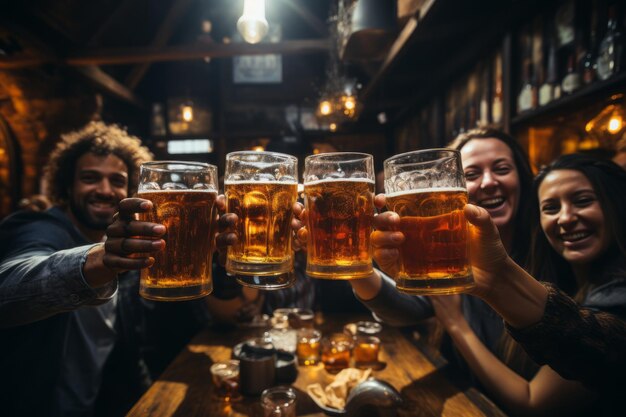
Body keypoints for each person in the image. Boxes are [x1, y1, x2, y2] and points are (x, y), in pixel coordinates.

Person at [0, 122, 228, 416]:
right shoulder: (39, 228)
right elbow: (7, 289)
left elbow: (135, 350)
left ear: (131, 189)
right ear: (67, 186)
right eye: (90, 178)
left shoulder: (128, 242)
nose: (105, 190)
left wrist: (218, 263)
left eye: (117, 180)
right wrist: (101, 260)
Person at [376, 154, 626, 415]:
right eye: (550, 208)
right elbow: (410, 308)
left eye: (583, 201)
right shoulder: (554, 270)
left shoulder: (616, 290)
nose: (565, 218)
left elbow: (595, 359)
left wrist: (456, 321)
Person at [303, 128, 539, 385]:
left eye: (502, 169)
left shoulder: (558, 259)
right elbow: (405, 310)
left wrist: (455, 323)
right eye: (472, 173)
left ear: (524, 178)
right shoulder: (447, 254)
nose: (489, 181)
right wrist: (352, 261)